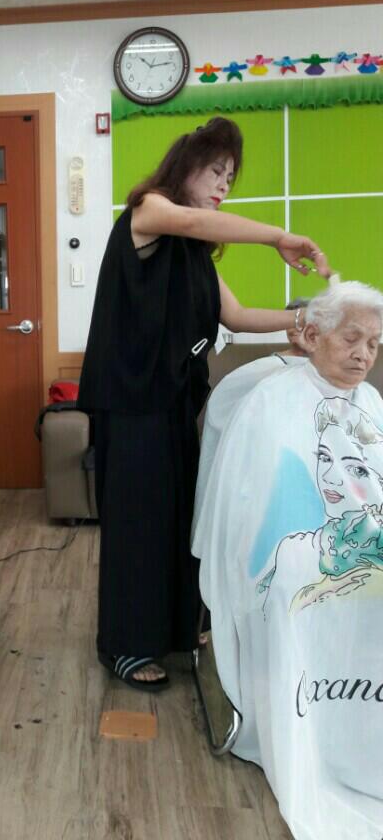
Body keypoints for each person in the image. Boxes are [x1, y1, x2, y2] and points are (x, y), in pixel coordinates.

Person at [77, 117, 332, 690]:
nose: (223, 185)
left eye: (230, 178)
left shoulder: (196, 253)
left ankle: (174, 630)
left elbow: (235, 317)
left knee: (178, 518)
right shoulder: (148, 210)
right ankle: (124, 644)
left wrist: (305, 323)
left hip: (173, 402)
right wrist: (277, 236)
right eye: (216, 171)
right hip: (130, 402)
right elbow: (193, 218)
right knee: (137, 523)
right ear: (184, 167)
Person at [194, 281, 383, 840]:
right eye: (352, 339)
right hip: (289, 537)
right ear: (313, 335)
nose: (363, 355)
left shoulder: (372, 404)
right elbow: (252, 499)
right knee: (301, 580)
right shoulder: (270, 398)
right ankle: (319, 729)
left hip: (362, 534)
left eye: (374, 344)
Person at [192, 296, 311, 554]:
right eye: (295, 320)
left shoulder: (333, 373)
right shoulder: (262, 372)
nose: (298, 328)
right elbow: (223, 408)